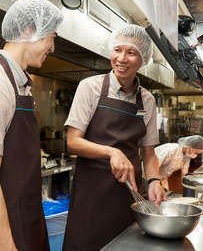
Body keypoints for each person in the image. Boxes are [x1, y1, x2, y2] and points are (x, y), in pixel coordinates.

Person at [0, 0, 64, 251]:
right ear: (30, 31)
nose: (52, 47)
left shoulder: (21, 85)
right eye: (51, 37)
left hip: (24, 216)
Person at [62, 24, 167, 251]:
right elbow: (72, 142)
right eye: (117, 50)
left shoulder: (147, 100)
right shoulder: (89, 88)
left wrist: (155, 181)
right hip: (91, 193)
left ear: (144, 59)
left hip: (127, 194)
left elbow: (148, 152)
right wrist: (111, 151)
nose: (122, 58)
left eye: (131, 53)